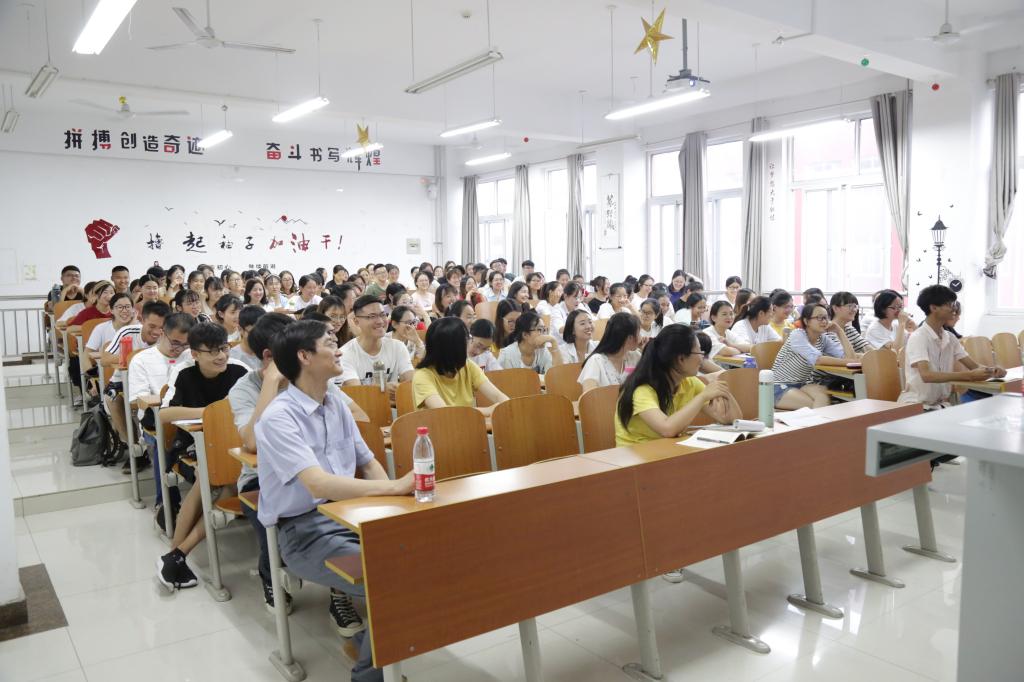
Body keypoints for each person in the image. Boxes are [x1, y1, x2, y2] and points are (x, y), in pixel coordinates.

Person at [255, 320, 415, 680]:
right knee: (391, 577)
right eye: (330, 343)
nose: (339, 350)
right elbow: (317, 484)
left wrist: (395, 510)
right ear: (304, 356)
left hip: (352, 515)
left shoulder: (335, 403)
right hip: (304, 531)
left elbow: (368, 462)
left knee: (422, 556)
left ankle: (372, 643)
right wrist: (393, 489)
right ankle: (369, 674)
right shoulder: (278, 417)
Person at [230, 313, 367, 614]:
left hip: (327, 489)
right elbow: (252, 443)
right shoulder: (250, 390)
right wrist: (271, 381)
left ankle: (340, 592)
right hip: (265, 482)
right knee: (271, 515)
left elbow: (360, 418)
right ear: (270, 356)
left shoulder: (323, 389)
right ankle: (272, 575)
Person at [155, 322, 248, 592]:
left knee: (229, 480)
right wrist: (211, 412)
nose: (222, 356)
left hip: (234, 445)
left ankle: (176, 554)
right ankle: (176, 552)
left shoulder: (240, 370)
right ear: (195, 354)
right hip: (192, 445)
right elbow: (165, 414)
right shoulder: (183, 373)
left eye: (224, 348)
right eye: (213, 351)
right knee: (209, 476)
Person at [615, 324, 741, 446]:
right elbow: (667, 429)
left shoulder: (689, 382)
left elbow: (730, 419)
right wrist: (702, 397)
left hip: (669, 450)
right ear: (681, 359)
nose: (702, 359)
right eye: (699, 353)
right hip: (636, 456)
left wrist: (723, 391)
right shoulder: (642, 390)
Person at [127, 312, 195, 526]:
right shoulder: (142, 360)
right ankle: (166, 504)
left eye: (185, 344)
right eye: (175, 342)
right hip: (154, 423)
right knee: (163, 439)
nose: (179, 349)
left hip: (188, 418)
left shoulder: (192, 356)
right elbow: (136, 401)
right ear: (163, 333)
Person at [898, 285, 1005, 409]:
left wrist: (992, 371)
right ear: (934, 308)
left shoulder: (950, 337)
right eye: (950, 304)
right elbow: (927, 375)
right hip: (917, 406)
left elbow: (974, 366)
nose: (954, 308)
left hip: (940, 405)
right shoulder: (919, 337)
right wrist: (969, 376)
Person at [770, 302, 858, 409]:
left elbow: (851, 358)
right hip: (777, 387)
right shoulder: (797, 335)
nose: (824, 321)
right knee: (817, 405)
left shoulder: (823, 339)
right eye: (820, 318)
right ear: (806, 321)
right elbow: (818, 360)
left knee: (824, 396)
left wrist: (839, 331)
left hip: (801, 385)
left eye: (826, 318)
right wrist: (851, 362)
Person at [412, 317, 509, 413]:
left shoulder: (468, 366)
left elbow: (497, 396)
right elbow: (445, 413)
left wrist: (508, 406)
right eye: (466, 340)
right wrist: (487, 411)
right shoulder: (422, 376)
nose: (469, 344)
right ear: (453, 349)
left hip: (468, 422)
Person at [340, 296, 415, 390]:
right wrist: (381, 389)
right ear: (356, 321)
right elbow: (356, 393)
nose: (380, 321)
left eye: (383, 315)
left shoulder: (398, 347)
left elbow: (411, 382)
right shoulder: (345, 354)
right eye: (372, 316)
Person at [578, 312, 642, 392]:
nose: (641, 337)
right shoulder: (596, 360)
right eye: (639, 333)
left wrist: (646, 350)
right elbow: (589, 395)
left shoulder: (635, 356)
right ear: (630, 338)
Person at [83, 292, 136, 378]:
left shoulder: (140, 328)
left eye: (128, 306)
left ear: (133, 309)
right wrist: (92, 378)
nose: (124, 310)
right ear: (111, 310)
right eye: (120, 307)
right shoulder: (101, 328)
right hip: (107, 377)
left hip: (134, 376)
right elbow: (86, 354)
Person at [498, 311, 564, 373]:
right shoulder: (507, 355)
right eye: (539, 329)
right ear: (525, 335)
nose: (544, 335)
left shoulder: (542, 351)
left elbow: (556, 374)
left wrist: (553, 342)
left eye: (544, 330)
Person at [229, 305, 266, 370]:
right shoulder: (232, 357)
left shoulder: (269, 351)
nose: (259, 336)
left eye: (263, 332)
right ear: (240, 329)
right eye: (253, 332)